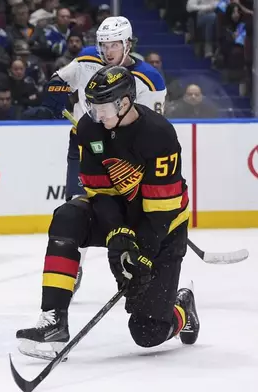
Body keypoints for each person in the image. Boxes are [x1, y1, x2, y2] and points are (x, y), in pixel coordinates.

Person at [16, 66, 199, 360]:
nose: (95, 114)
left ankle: (182, 308)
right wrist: (116, 233)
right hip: (122, 214)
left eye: (101, 107)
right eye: (92, 106)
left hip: (163, 226)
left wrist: (141, 256)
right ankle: (54, 320)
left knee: (147, 333)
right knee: (67, 216)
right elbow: (100, 192)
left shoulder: (159, 134)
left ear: (124, 103)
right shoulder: (89, 128)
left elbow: (161, 211)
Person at [40, 16, 167, 296]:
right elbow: (59, 80)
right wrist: (55, 94)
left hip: (129, 156)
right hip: (86, 145)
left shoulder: (149, 79)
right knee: (77, 205)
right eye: (104, 45)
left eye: (114, 45)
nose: (108, 51)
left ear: (128, 44)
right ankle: (73, 268)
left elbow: (154, 130)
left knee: (138, 213)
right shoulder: (86, 60)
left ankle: (151, 268)